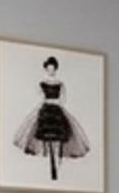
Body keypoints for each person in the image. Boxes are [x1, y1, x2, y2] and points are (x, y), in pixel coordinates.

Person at [12, 54, 92, 183]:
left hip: (56, 110)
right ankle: (52, 167)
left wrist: (57, 104)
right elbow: (41, 97)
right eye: (49, 68)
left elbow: (63, 99)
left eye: (53, 68)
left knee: (59, 138)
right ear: (46, 69)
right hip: (46, 110)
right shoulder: (42, 83)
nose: (51, 70)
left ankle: (56, 166)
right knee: (47, 137)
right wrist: (44, 105)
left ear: (55, 69)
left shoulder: (60, 83)